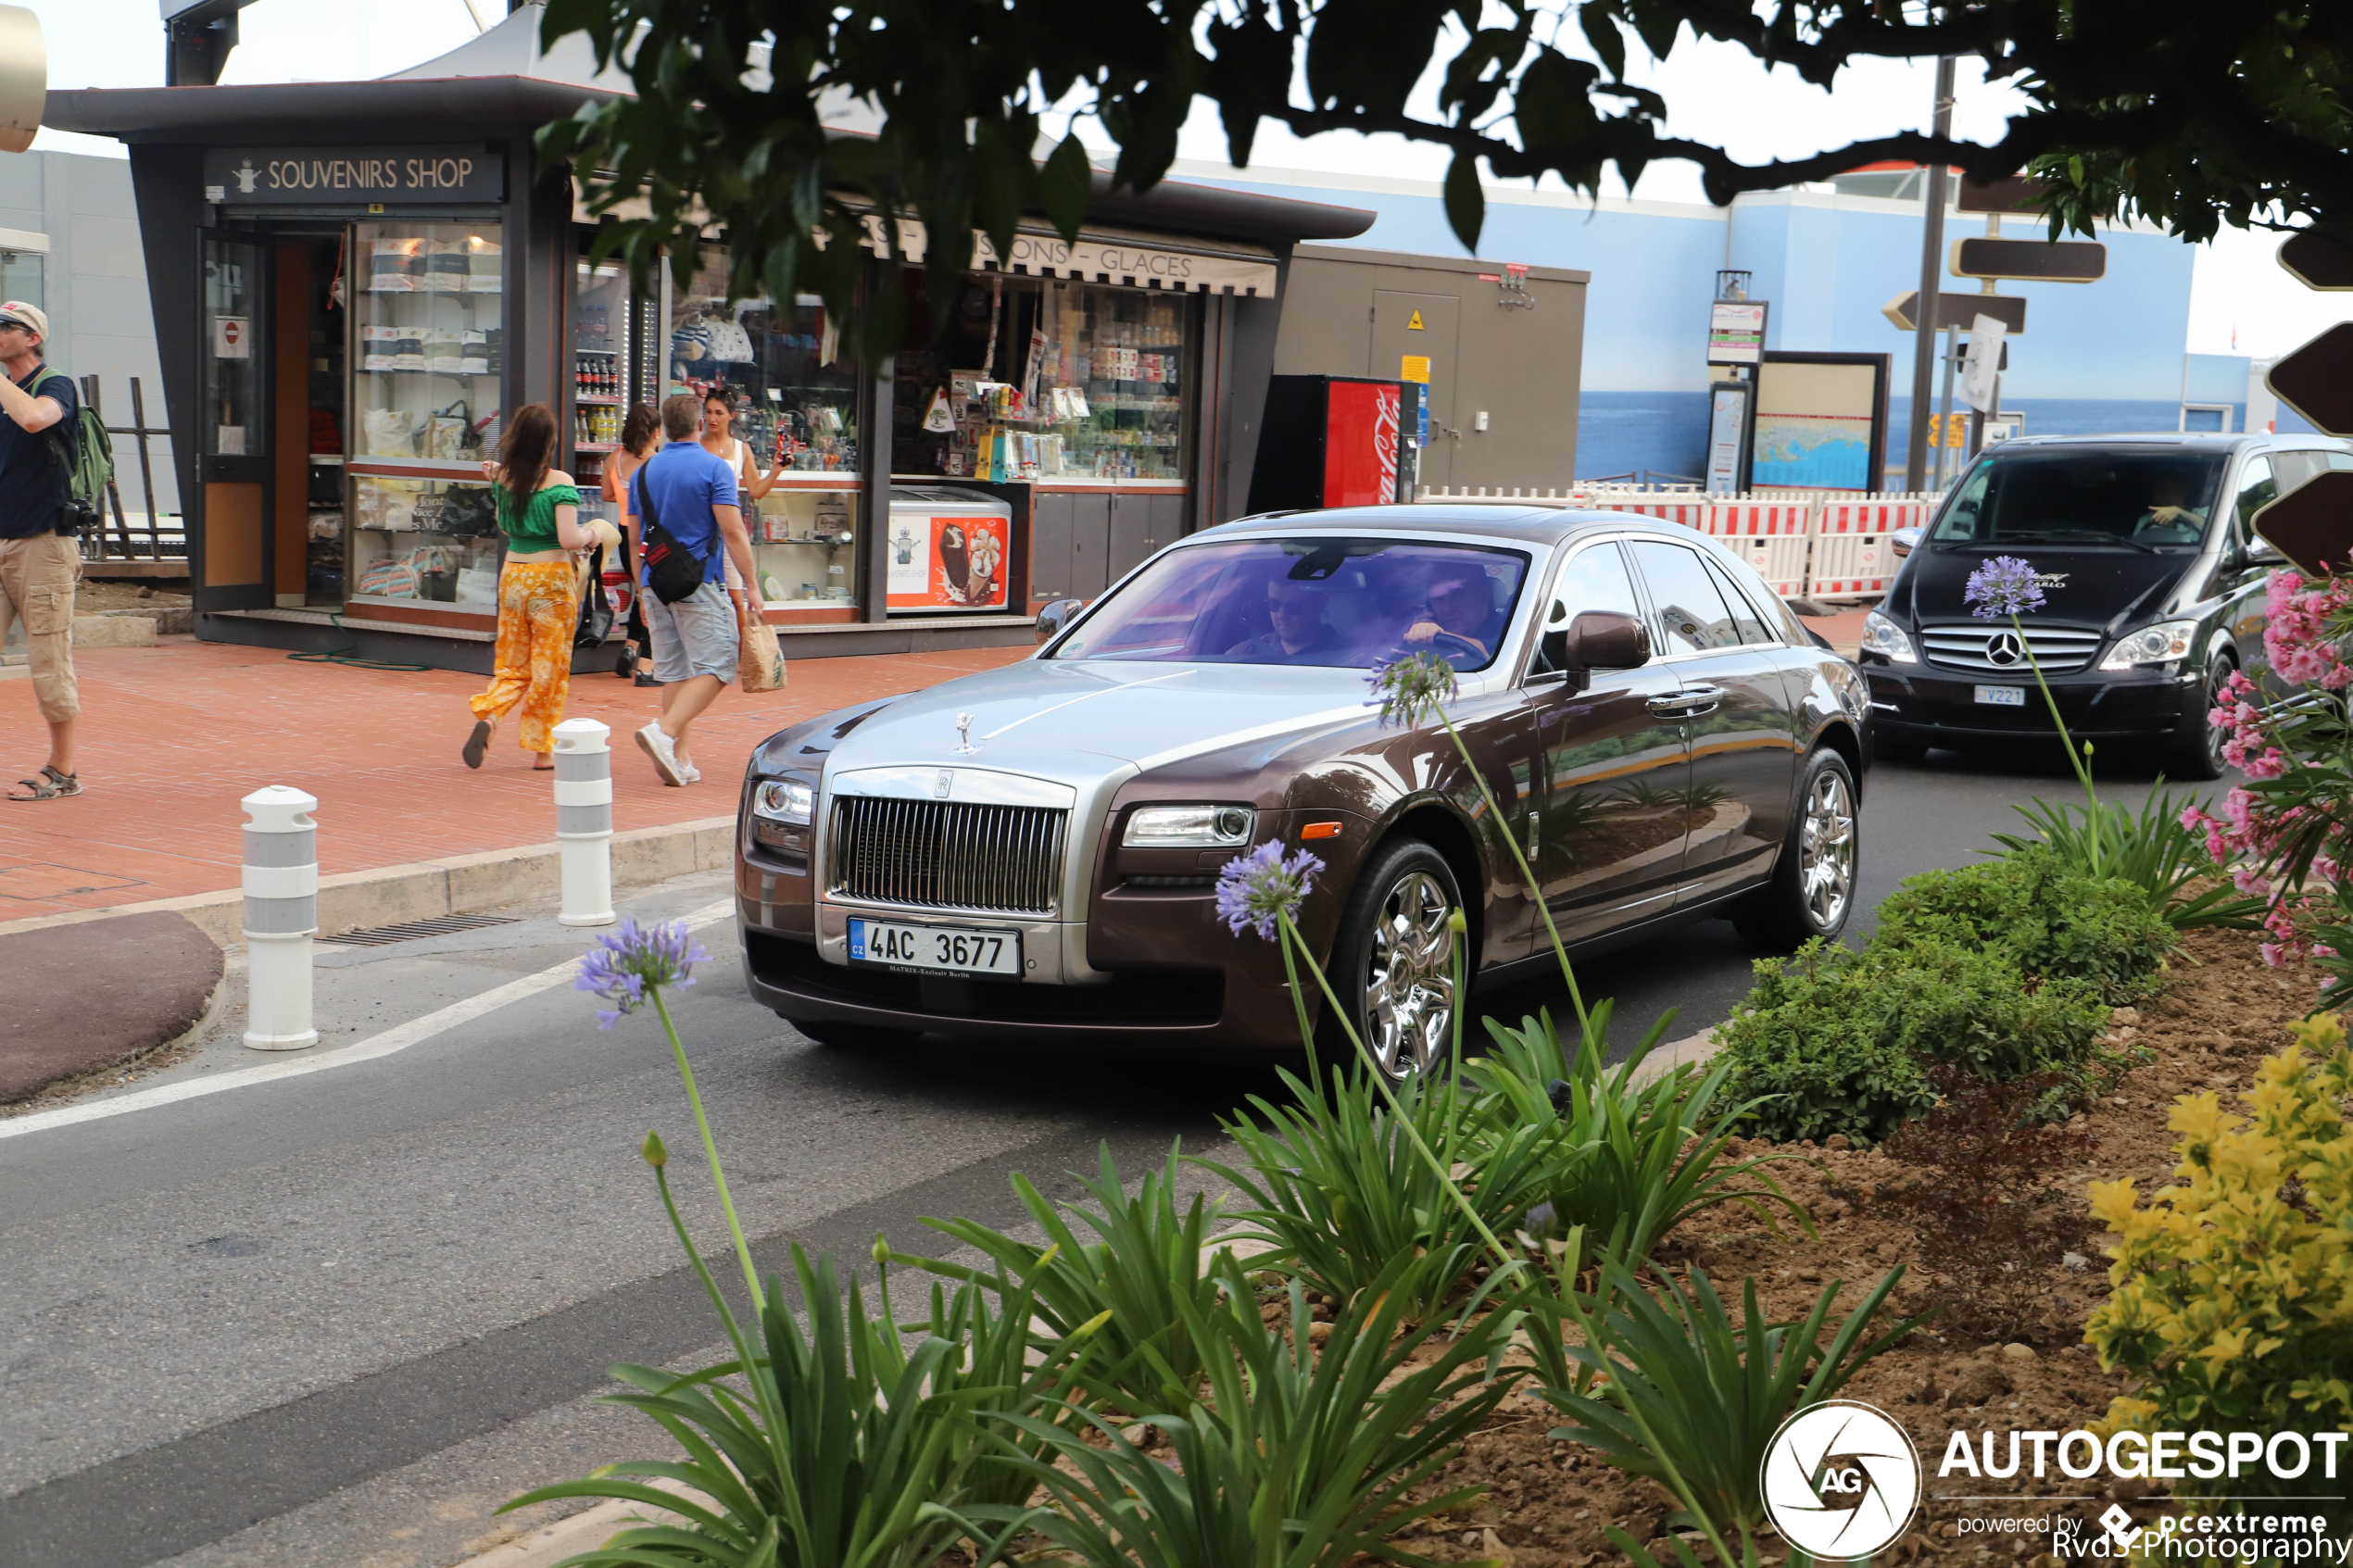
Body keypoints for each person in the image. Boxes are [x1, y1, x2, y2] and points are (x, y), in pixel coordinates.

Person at [627, 392, 763, 785]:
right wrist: (752, 585)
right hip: (698, 580)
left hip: (655, 580)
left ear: (665, 428)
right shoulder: (715, 468)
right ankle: (663, 733)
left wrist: (641, 589)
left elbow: (636, 538)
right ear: (699, 424)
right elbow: (733, 531)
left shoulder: (643, 473)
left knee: (674, 672)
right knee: (720, 665)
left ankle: (678, 759)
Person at [462, 404, 594, 771]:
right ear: (550, 441)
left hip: (514, 577)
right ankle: (543, 749)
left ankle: (490, 717)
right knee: (549, 668)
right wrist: (594, 534)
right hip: (550, 582)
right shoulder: (561, 483)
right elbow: (570, 538)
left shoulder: (505, 479)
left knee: (512, 665)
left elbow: (506, 528)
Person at [0, 302, 83, 801]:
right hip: (3, 539)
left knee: (49, 659)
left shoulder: (55, 386)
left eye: (3, 327)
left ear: (32, 338)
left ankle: (63, 770)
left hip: (43, 545)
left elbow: (34, 420)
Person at [600, 404, 661, 685]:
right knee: (651, 596)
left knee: (640, 591)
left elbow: (606, 494)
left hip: (626, 534)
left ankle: (629, 647)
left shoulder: (615, 459)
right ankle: (647, 666)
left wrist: (625, 498)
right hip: (651, 534)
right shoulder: (656, 462)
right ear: (654, 432)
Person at [1227, 575, 1346, 663]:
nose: (1281, 615)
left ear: (1319, 604)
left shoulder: (1348, 657)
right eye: (1274, 605)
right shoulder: (1242, 653)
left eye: (1294, 607)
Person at [1400, 564, 1503, 664]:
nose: (1447, 609)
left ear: (1484, 597)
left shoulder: (1507, 629)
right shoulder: (1416, 622)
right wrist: (1421, 628)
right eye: (1438, 598)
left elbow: (1491, 658)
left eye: (1458, 595)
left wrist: (1438, 635)